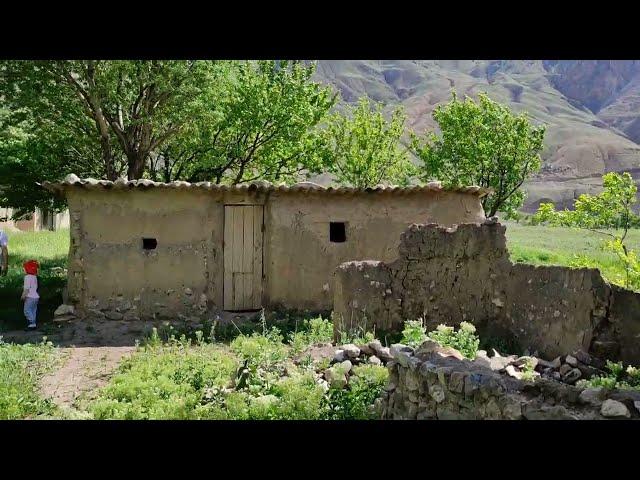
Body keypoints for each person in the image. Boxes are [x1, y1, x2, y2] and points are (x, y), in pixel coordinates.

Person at [22, 260, 39, 330]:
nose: (23, 270)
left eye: (24, 269)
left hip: (30, 297)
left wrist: (23, 296)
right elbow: (36, 286)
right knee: (33, 310)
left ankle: (32, 323)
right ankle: (33, 322)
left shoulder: (27, 277)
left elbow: (26, 289)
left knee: (27, 310)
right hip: (36, 297)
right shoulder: (34, 277)